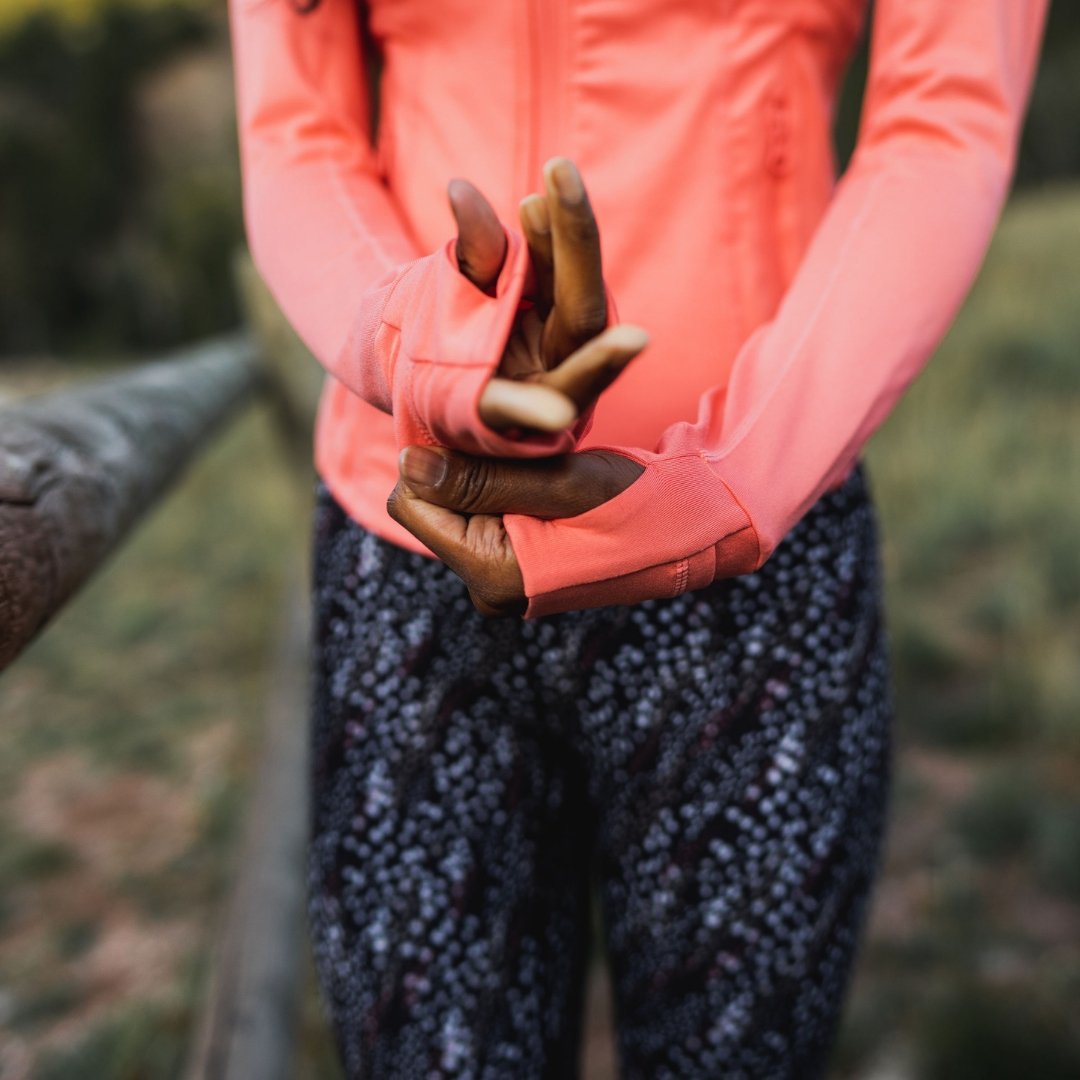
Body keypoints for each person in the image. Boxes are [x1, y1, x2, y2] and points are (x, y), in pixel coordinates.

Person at [228, 1, 1047, 1076]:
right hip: (412, 551)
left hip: (756, 567)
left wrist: (734, 476)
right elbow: (298, 131)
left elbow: (941, 117)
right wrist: (418, 344)